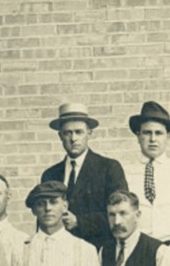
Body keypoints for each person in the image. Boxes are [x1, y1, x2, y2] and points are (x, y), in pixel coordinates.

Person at [40, 102, 128, 250]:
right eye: (67, 133)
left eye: (78, 132)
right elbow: (42, 219)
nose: (73, 138)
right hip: (58, 251)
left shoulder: (108, 168)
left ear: (89, 133)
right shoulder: (50, 174)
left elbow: (120, 214)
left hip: (98, 250)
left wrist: (79, 222)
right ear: (60, 135)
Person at [123, 101, 170, 242]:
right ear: (138, 136)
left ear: (168, 136)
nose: (153, 139)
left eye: (158, 133)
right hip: (139, 245)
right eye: (147, 133)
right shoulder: (125, 172)